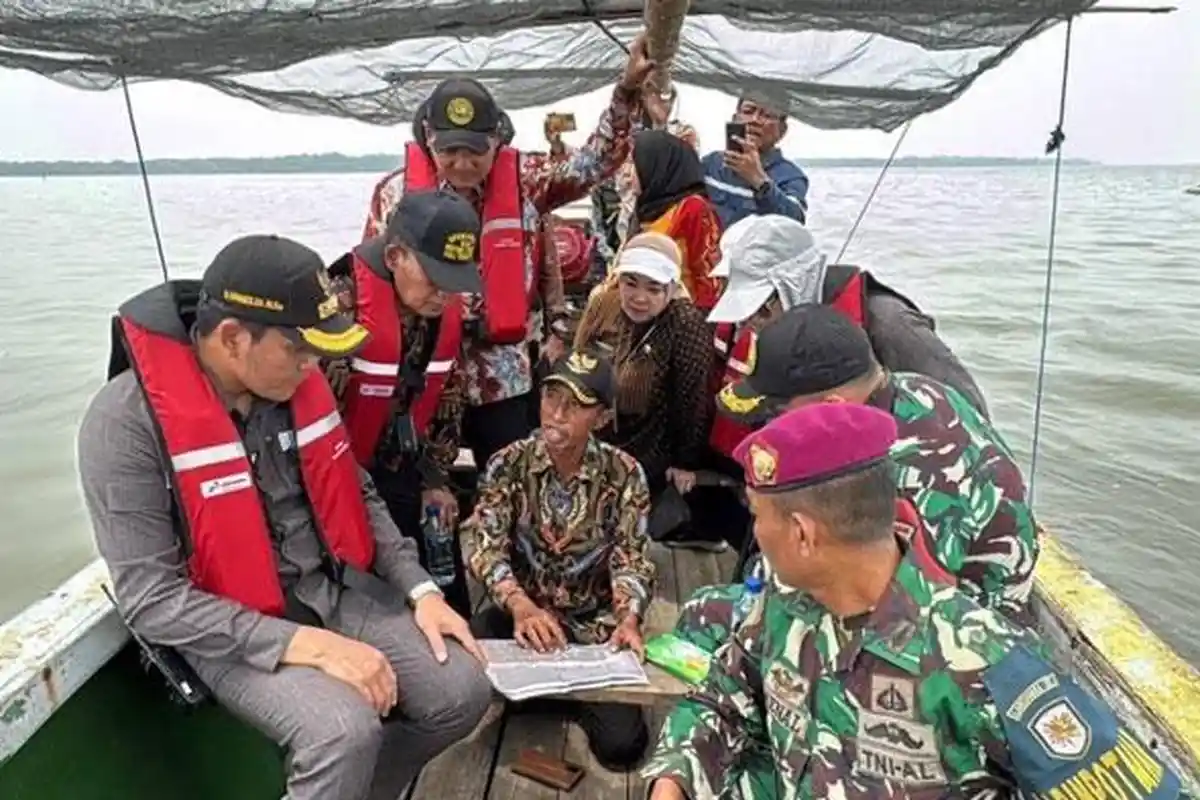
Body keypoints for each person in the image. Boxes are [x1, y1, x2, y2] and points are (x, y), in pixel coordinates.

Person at [78, 235, 492, 800]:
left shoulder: (296, 382)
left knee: (463, 690)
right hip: (229, 629)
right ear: (232, 338)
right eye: (299, 349)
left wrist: (421, 591)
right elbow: (151, 599)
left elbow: (357, 492)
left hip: (332, 591)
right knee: (343, 731)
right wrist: (315, 647)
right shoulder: (123, 424)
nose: (313, 364)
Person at [643, 403, 1183, 800]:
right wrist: (672, 780)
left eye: (758, 518)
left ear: (804, 535)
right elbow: (721, 699)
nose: (755, 534)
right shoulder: (783, 604)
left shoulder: (981, 663)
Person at [363, 36, 659, 471]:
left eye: (475, 151)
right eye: (449, 151)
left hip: (501, 373)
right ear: (428, 140)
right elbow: (371, 278)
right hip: (420, 369)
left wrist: (627, 92)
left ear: (497, 141)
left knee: (512, 475)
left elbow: (596, 162)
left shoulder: (527, 182)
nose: (462, 164)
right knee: (412, 478)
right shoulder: (394, 195)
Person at [717, 304, 1038, 624]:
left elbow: (900, 613)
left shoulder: (899, 479)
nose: (771, 430)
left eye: (777, 414)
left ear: (832, 407)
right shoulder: (913, 386)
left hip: (967, 633)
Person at [462, 349, 655, 770]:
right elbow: (485, 545)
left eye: (576, 404)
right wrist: (519, 604)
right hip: (520, 616)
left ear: (601, 418)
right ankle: (554, 692)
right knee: (455, 683)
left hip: (593, 624)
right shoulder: (507, 463)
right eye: (551, 396)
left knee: (623, 747)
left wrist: (628, 617)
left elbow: (632, 558)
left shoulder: (625, 474)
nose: (557, 413)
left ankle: (546, 693)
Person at [323, 189, 483, 616]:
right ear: (395, 257)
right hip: (341, 473)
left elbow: (448, 392)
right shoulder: (338, 311)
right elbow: (312, 425)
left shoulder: (440, 304)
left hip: (404, 460)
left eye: (455, 282)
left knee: (444, 558)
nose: (445, 296)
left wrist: (435, 477)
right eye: (435, 279)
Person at [707, 213, 990, 432]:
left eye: (761, 311)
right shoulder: (778, 329)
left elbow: (967, 409)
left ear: (794, 285)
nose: (751, 324)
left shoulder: (890, 324)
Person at [573, 233, 716, 548]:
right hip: (597, 429)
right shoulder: (602, 301)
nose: (639, 297)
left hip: (650, 438)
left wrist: (686, 461)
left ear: (672, 288)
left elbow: (692, 399)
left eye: (654, 289)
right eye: (630, 283)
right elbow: (578, 361)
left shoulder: (686, 323)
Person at [628, 129, 722, 311]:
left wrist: (702, 326)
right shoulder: (646, 209)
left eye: (634, 164)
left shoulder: (693, 208)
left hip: (683, 319)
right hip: (645, 312)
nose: (628, 173)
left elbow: (709, 277)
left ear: (656, 166)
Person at [701, 94, 809, 229]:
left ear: (782, 130)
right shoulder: (711, 163)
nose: (755, 120)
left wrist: (759, 180)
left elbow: (794, 223)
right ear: (735, 119)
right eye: (748, 111)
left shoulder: (791, 176)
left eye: (768, 115)